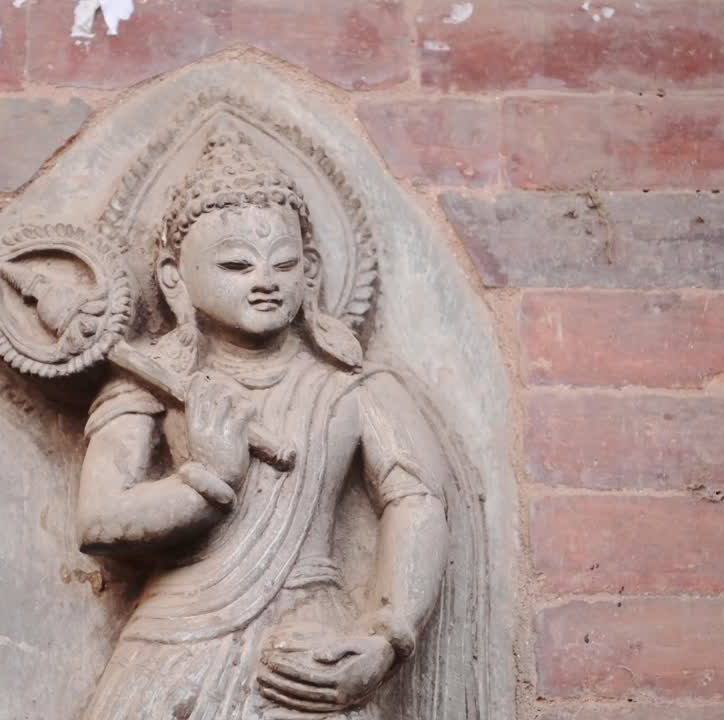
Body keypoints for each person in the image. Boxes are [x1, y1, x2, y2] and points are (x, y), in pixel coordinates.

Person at [74, 124, 449, 719]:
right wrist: (205, 484)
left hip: (306, 647)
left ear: (311, 271)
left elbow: (417, 499)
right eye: (236, 264)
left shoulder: (351, 388)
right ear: (174, 277)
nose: (265, 281)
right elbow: (100, 519)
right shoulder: (149, 383)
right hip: (174, 642)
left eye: (284, 263)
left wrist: (388, 634)